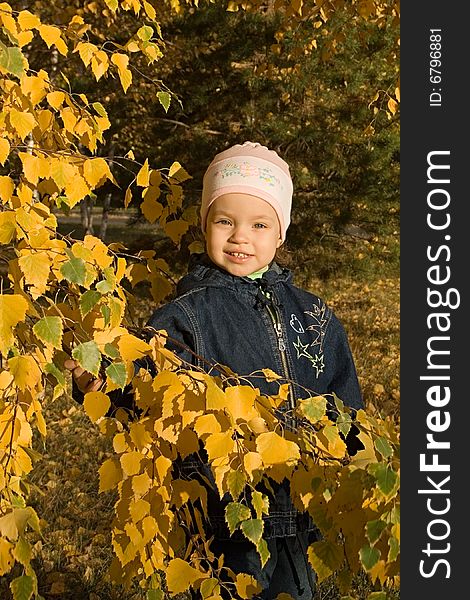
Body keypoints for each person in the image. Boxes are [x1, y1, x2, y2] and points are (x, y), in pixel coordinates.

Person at [66, 141, 363, 599]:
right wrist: (100, 381)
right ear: (205, 222)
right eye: (225, 221)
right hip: (224, 511)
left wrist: (353, 458)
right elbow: (149, 388)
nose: (240, 237)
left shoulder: (315, 315)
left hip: (304, 504)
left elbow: (344, 400)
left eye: (259, 224)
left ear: (280, 233)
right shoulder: (187, 314)